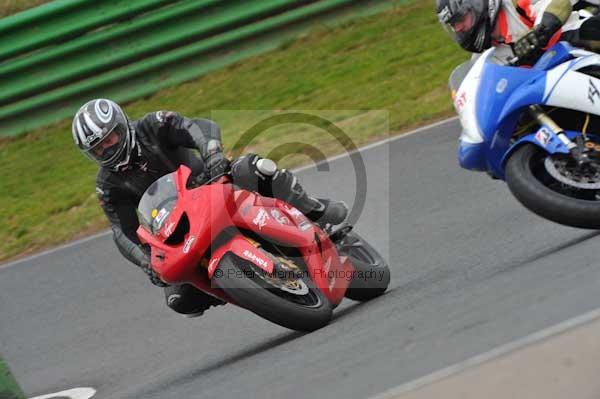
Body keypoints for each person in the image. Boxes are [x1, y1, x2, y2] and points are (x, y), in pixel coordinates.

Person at [72, 98, 348, 317]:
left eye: (110, 139)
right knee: (179, 298)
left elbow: (196, 127)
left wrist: (213, 153)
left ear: (122, 126)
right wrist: (146, 262)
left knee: (253, 167)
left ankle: (311, 209)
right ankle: (244, 285)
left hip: (213, 182)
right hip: (179, 229)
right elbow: (122, 232)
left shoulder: (152, 125)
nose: (107, 149)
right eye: (98, 149)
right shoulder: (107, 185)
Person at [435, 0, 600, 65]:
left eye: (460, 20)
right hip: (550, 85)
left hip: (575, 48)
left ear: (477, 5)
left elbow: (558, 5)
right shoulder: (485, 59)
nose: (458, 29)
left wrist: (539, 32)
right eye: (453, 25)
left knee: (591, 30)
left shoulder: (514, 3)